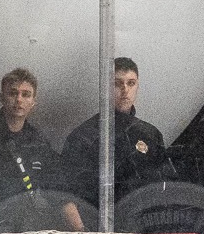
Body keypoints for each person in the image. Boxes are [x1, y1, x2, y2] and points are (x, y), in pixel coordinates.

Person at [62, 56, 165, 200]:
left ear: (138, 86)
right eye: (117, 83)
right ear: (106, 88)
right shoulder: (83, 137)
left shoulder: (151, 134)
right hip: (102, 213)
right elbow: (69, 197)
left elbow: (163, 189)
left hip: (145, 213)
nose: (125, 90)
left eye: (131, 83)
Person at [0, 68, 80, 229]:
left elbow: (58, 188)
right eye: (13, 93)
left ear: (33, 102)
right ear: (1, 98)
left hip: (28, 227)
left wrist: (80, 231)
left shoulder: (38, 141)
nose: (19, 99)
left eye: (26, 94)